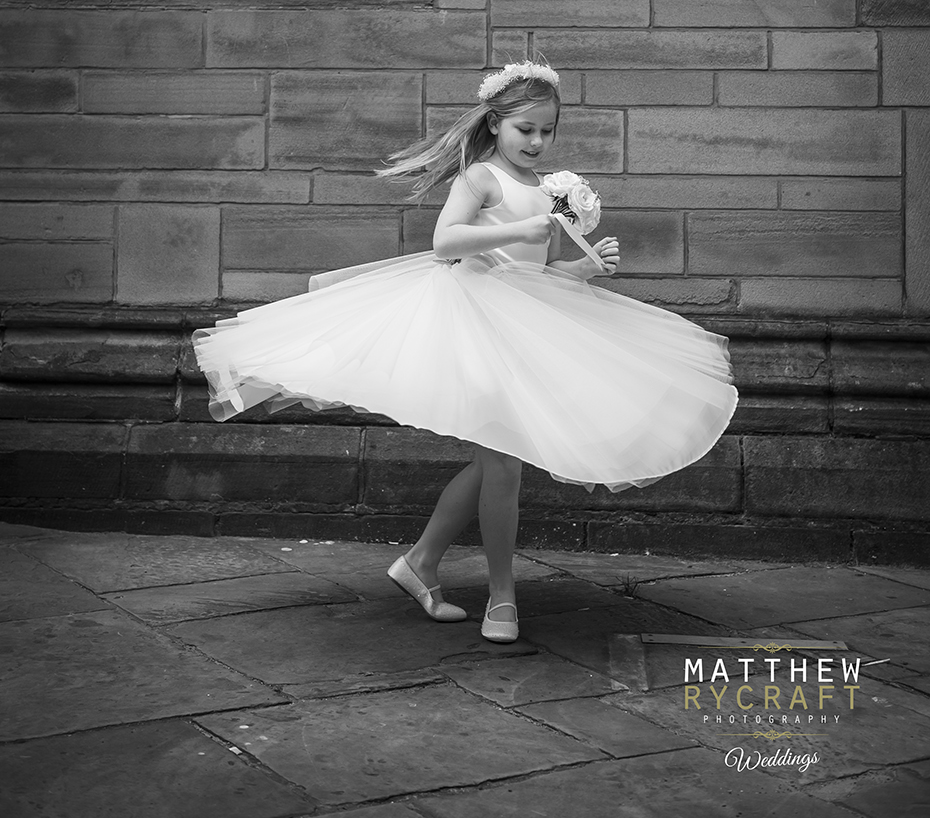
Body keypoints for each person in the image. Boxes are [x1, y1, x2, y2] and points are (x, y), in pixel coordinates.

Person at [193, 60, 737, 644]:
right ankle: (501, 596)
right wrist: (515, 233)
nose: (536, 141)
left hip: (526, 326)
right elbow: (445, 241)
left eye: (547, 131)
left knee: (494, 462)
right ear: (496, 125)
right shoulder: (481, 177)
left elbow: (538, 271)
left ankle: (421, 563)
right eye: (525, 129)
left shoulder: (548, 191)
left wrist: (584, 267)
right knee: (502, 461)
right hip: (473, 321)